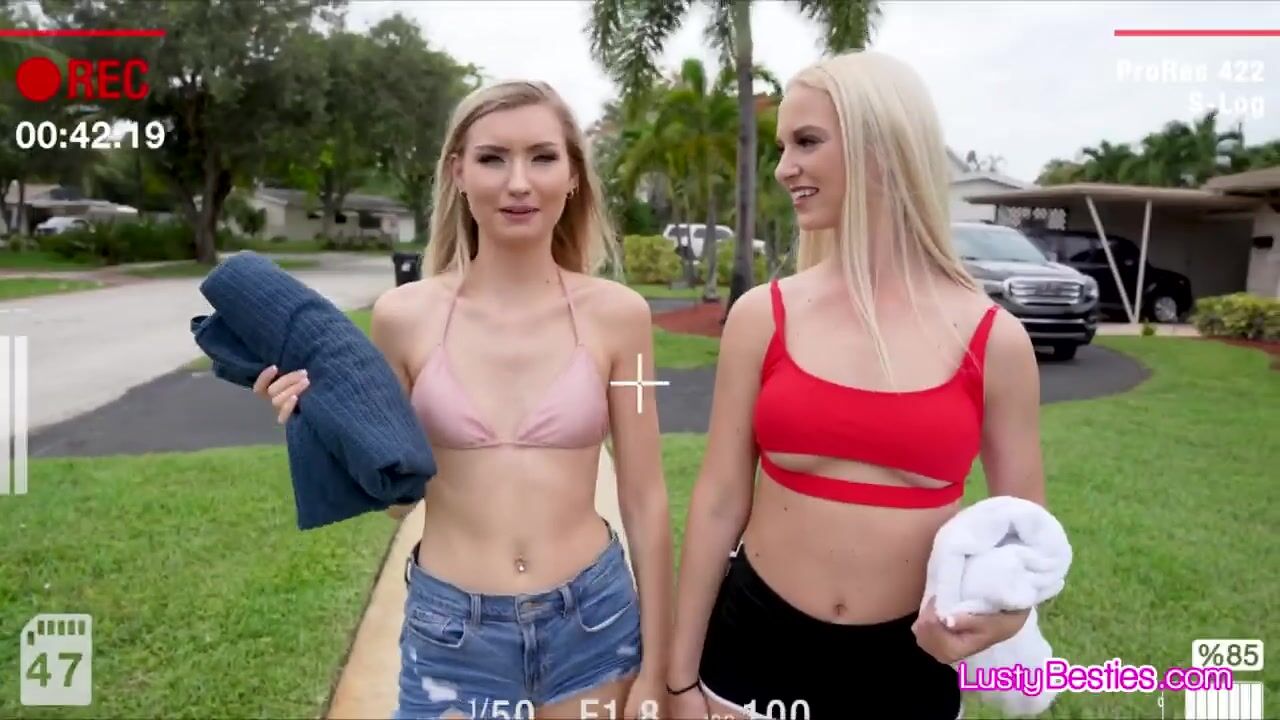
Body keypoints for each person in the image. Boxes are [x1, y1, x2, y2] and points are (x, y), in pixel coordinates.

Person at [255, 80, 672, 720]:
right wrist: (319, 423)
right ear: (458, 172)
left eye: (542, 157)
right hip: (453, 635)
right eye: (492, 158)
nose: (518, 183)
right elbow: (398, 501)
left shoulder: (620, 316)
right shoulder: (403, 318)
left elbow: (645, 498)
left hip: (594, 622)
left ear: (573, 177)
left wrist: (661, 669)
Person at [666, 51, 1047, 720]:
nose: (784, 168)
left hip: (906, 668)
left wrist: (1004, 619)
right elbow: (720, 501)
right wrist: (678, 680)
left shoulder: (995, 341)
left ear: (881, 147)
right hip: (752, 651)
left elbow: (1024, 538)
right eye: (782, 147)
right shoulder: (762, 317)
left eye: (807, 141)